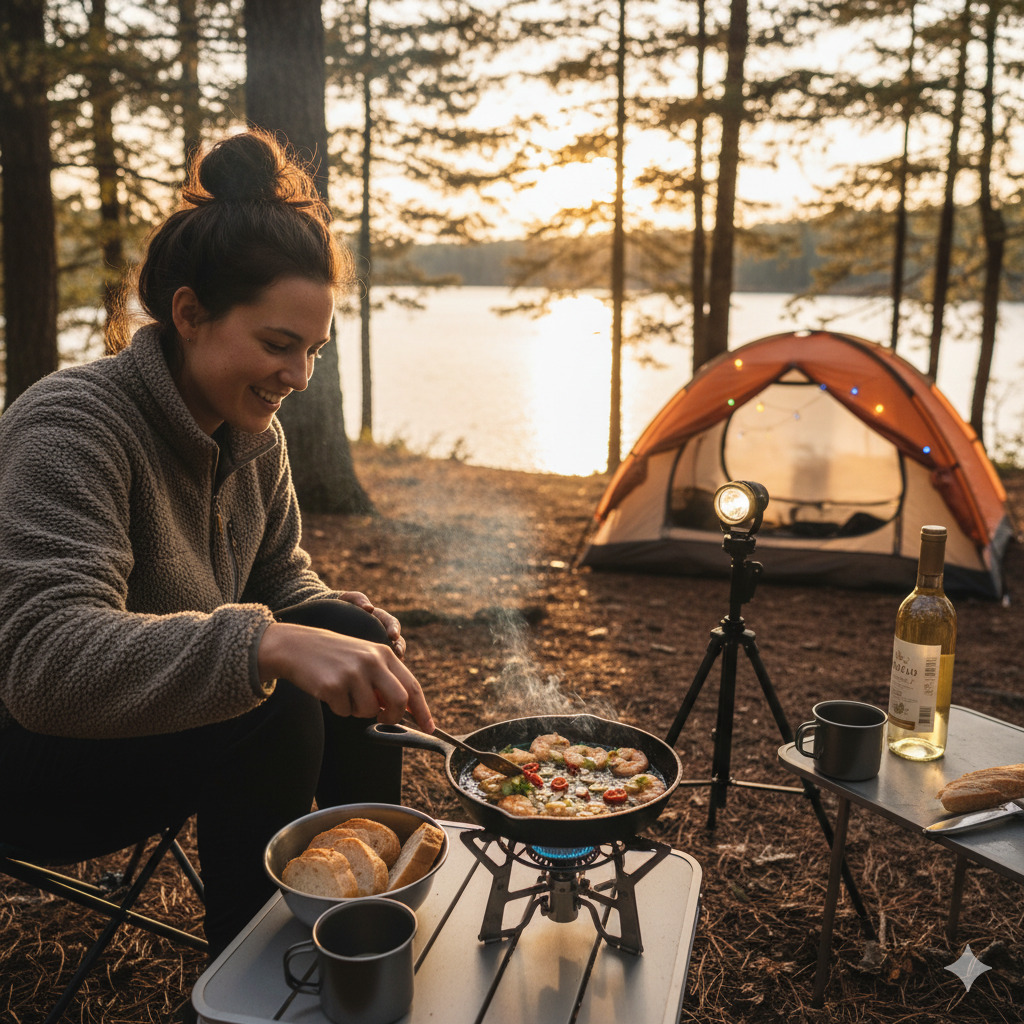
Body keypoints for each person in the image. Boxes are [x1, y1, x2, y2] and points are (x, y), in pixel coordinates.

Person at [0, 129, 434, 959]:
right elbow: (43, 664)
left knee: (348, 635)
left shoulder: (253, 437)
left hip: (152, 731)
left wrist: (324, 619)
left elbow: (278, 577)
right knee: (269, 698)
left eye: (313, 350)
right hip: (29, 758)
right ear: (190, 314)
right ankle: (261, 984)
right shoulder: (73, 425)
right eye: (278, 345)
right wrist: (269, 644)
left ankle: (366, 913)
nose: (299, 377)